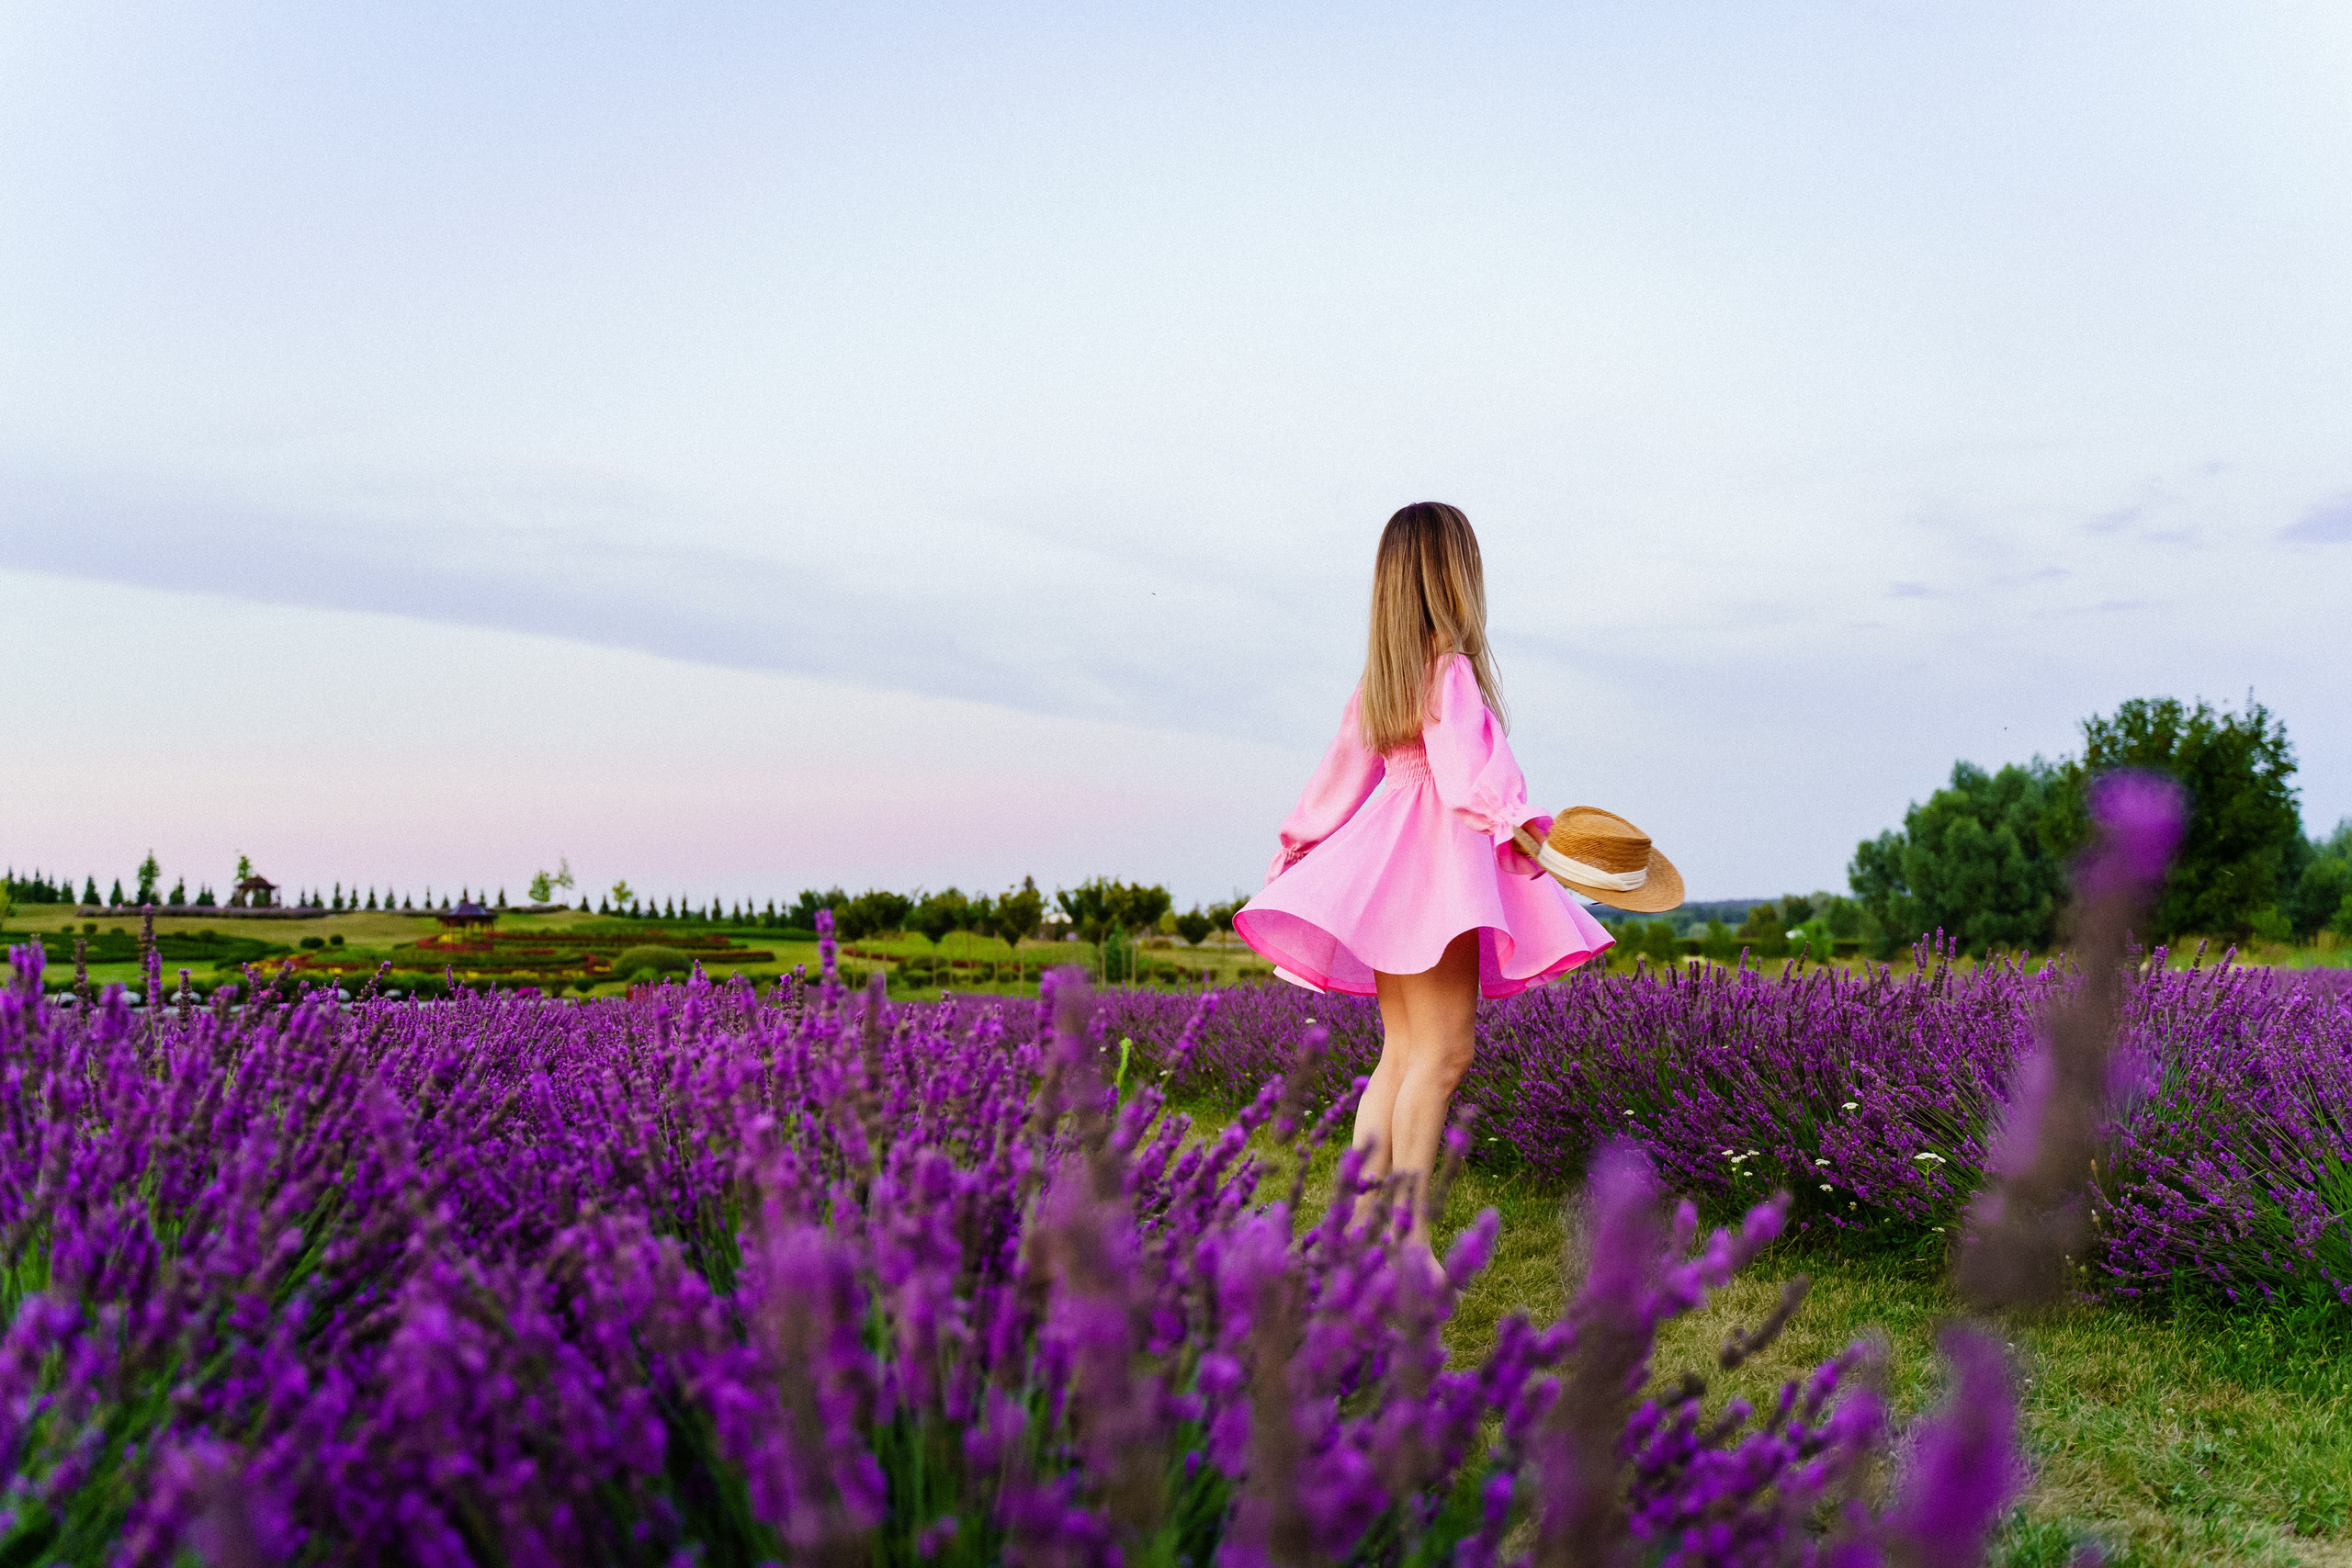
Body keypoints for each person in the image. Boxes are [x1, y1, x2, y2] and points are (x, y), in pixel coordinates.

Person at [1234, 502, 1612, 1262]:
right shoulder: (1449, 672)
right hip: (1437, 867)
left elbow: (1337, 778)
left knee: (1403, 1053)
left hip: (1388, 866)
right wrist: (1519, 823)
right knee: (1442, 1055)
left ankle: (1360, 1226)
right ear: (1454, 576)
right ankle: (1405, 1240)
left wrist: (1298, 847)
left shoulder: (1382, 681)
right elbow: (1463, 776)